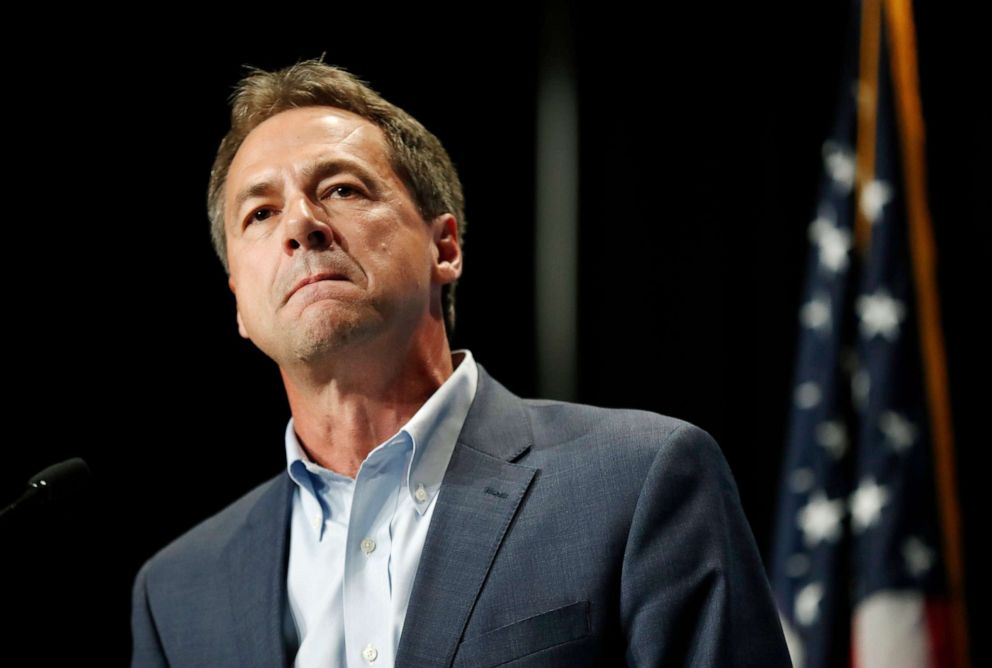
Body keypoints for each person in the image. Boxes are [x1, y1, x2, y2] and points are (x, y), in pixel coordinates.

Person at [130, 59, 792, 667]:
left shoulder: (639, 479)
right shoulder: (179, 591)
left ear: (444, 247)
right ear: (240, 307)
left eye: (341, 188)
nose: (301, 224)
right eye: (260, 212)